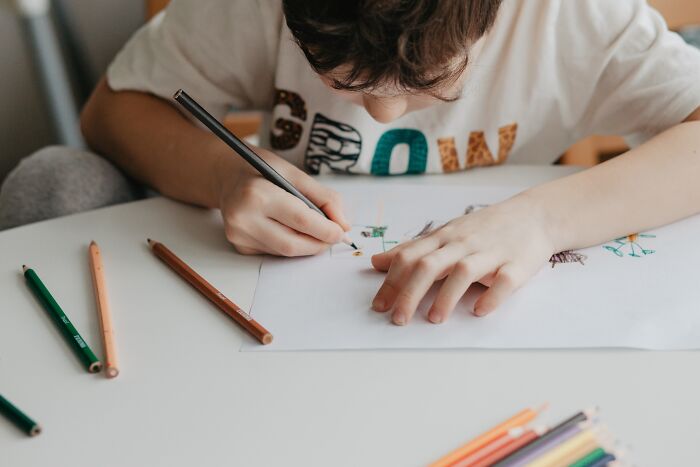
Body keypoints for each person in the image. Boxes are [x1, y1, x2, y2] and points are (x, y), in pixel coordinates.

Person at [3, 0, 700, 325]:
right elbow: (113, 111)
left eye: (430, 85)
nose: (380, 116)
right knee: (54, 179)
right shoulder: (249, 7)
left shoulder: (572, 17)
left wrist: (544, 219)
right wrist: (225, 173)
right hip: (251, 303)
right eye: (341, 82)